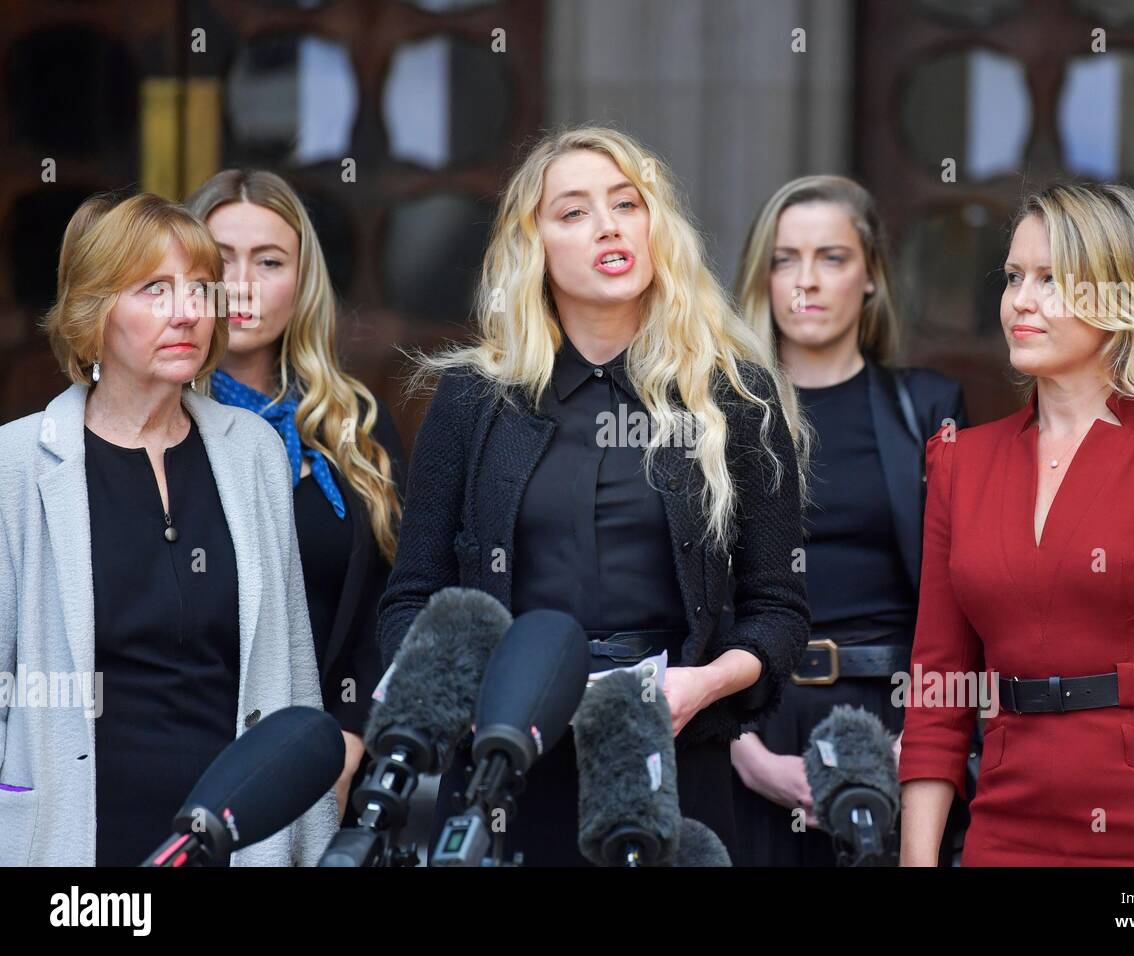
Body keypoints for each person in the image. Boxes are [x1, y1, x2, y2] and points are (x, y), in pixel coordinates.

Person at [376, 125, 810, 866]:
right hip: (506, 765)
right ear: (533, 245)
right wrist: (473, 699)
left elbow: (780, 610)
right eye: (573, 212)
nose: (608, 225)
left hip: (668, 753)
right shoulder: (473, 400)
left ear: (655, 227)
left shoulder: (736, 398)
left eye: (627, 204)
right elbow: (412, 598)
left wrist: (703, 684)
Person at [899, 183, 1134, 866]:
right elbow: (936, 693)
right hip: (1008, 817)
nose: (1021, 300)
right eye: (1015, 276)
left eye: (1053, 279)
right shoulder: (961, 461)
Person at [0, 192, 336, 866]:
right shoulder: (17, 462)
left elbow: (293, 674)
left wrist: (312, 842)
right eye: (154, 289)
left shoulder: (253, 452)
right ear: (93, 314)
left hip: (241, 840)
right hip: (78, 843)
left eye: (201, 290)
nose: (189, 313)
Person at [729, 174, 968, 865]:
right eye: (785, 259)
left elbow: (961, 594)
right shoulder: (716, 415)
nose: (806, 280)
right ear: (763, 277)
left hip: (895, 720)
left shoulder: (927, 407)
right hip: (753, 717)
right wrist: (745, 754)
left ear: (870, 276)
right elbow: (689, 591)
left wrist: (922, 738)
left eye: (831, 257)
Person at [187, 170, 407, 818]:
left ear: (302, 282)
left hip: (322, 763)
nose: (243, 283)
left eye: (270, 261)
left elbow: (393, 600)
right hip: (183, 756)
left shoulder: (355, 424)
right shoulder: (153, 419)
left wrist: (350, 734)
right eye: (220, 260)